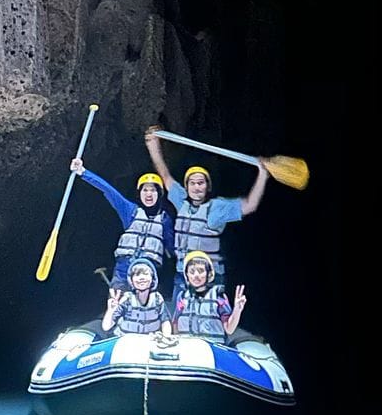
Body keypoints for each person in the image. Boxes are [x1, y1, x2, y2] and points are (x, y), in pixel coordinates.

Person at [143, 125, 268, 297]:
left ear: (207, 187)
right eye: (192, 183)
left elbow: (250, 204)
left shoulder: (217, 208)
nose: (196, 187)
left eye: (201, 183)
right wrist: (153, 145)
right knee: (182, 320)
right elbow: (164, 175)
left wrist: (262, 174)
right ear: (186, 187)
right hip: (183, 274)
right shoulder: (181, 201)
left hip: (210, 277)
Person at [69, 155, 173, 285]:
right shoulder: (130, 211)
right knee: (117, 303)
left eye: (153, 190)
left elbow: (172, 248)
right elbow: (109, 190)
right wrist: (83, 172)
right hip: (124, 268)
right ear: (139, 193)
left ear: (160, 193)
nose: (149, 194)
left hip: (148, 270)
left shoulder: (165, 219)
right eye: (145, 190)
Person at [172, 249, 246, 340]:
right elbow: (175, 324)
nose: (196, 275)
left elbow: (229, 329)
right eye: (192, 272)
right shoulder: (182, 297)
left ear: (209, 274)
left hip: (213, 349)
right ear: (186, 275)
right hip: (188, 347)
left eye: (201, 271)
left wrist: (237, 310)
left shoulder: (218, 296)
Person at [101, 254, 173, 339]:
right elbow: (106, 327)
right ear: (131, 280)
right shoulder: (126, 299)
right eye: (137, 275)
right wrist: (110, 311)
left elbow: (165, 321)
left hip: (150, 342)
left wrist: (166, 337)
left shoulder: (157, 299)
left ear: (153, 278)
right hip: (127, 343)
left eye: (145, 274)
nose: (141, 278)